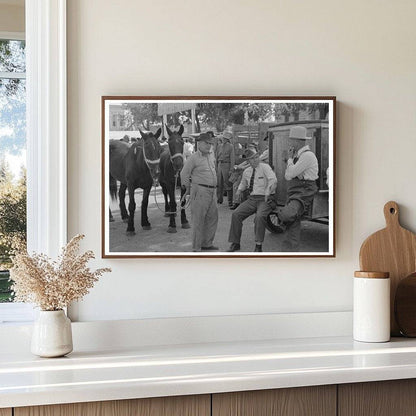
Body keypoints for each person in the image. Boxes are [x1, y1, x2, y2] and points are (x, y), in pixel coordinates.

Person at [273, 125, 319, 251]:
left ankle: (289, 248)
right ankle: (290, 250)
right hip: (296, 189)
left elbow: (290, 174)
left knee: (288, 215)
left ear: (298, 141)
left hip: (305, 189)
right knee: (293, 221)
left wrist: (289, 160)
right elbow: (288, 176)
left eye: (291, 140)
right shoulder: (299, 156)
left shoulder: (307, 156)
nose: (290, 142)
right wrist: (291, 163)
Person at [227, 148, 277, 252]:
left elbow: (273, 179)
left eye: (256, 157)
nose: (255, 160)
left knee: (259, 217)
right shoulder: (247, 171)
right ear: (248, 161)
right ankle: (235, 243)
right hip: (252, 199)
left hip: (265, 199)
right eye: (252, 159)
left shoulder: (265, 167)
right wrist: (239, 191)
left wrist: (268, 189)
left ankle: (258, 246)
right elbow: (244, 183)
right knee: (236, 214)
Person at [180, 132, 218, 252]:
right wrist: (187, 188)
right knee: (198, 220)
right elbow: (184, 173)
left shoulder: (211, 155)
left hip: (212, 191)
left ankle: (207, 243)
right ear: (199, 143)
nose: (209, 145)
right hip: (200, 191)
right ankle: (196, 248)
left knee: (212, 218)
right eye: (206, 143)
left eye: (210, 143)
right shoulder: (194, 158)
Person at [216, 130, 235, 207]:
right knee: (219, 183)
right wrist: (216, 167)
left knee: (228, 183)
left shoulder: (230, 146)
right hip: (220, 165)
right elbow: (216, 157)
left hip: (227, 165)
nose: (223, 139)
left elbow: (232, 158)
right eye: (223, 138)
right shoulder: (219, 146)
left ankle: (230, 201)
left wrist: (231, 169)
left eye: (225, 138)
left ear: (227, 139)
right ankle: (219, 199)